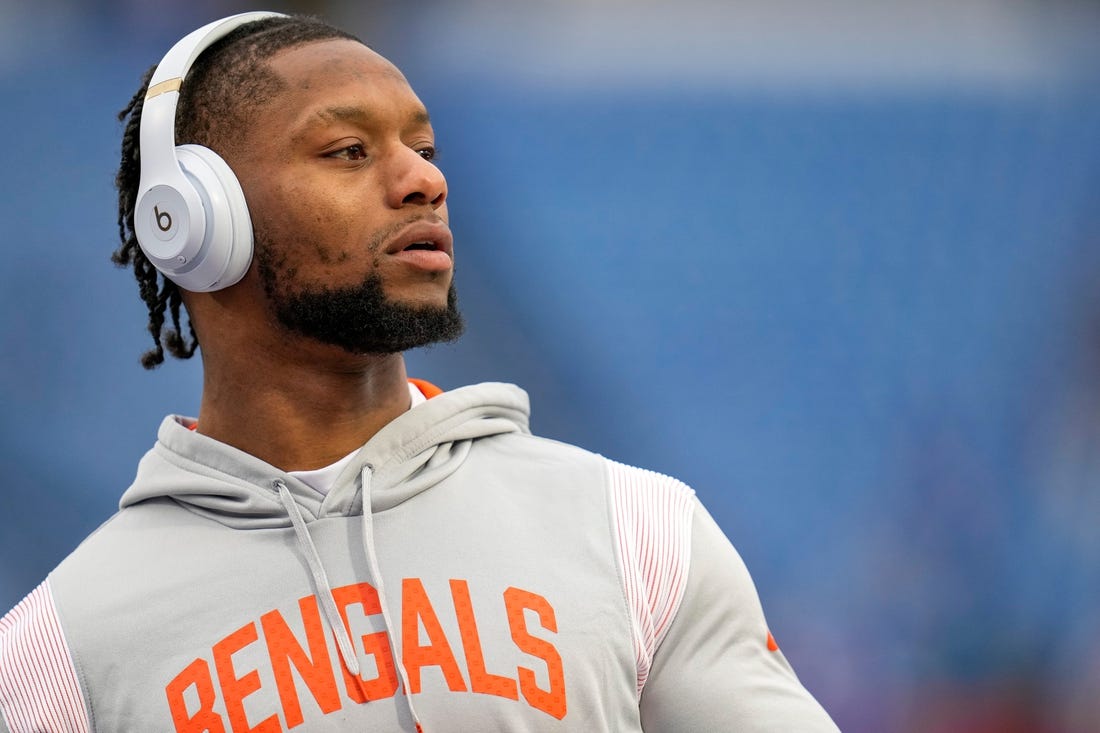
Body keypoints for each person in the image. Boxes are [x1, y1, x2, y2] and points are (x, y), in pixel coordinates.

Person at [0, 12, 840, 732]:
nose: (424, 180)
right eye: (349, 150)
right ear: (189, 221)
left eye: (425, 146)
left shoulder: (640, 533)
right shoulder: (58, 655)